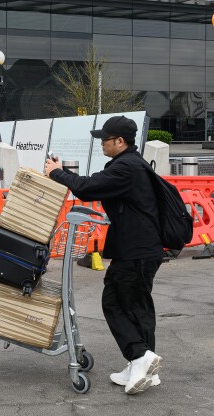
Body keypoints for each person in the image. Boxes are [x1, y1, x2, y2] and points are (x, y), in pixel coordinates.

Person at [44, 115, 163, 395]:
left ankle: (139, 357)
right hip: (145, 248)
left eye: (105, 139)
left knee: (113, 302)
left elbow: (87, 188)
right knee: (137, 306)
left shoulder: (126, 168)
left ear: (120, 141)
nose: (101, 144)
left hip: (135, 250)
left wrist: (56, 172)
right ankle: (141, 365)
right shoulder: (134, 164)